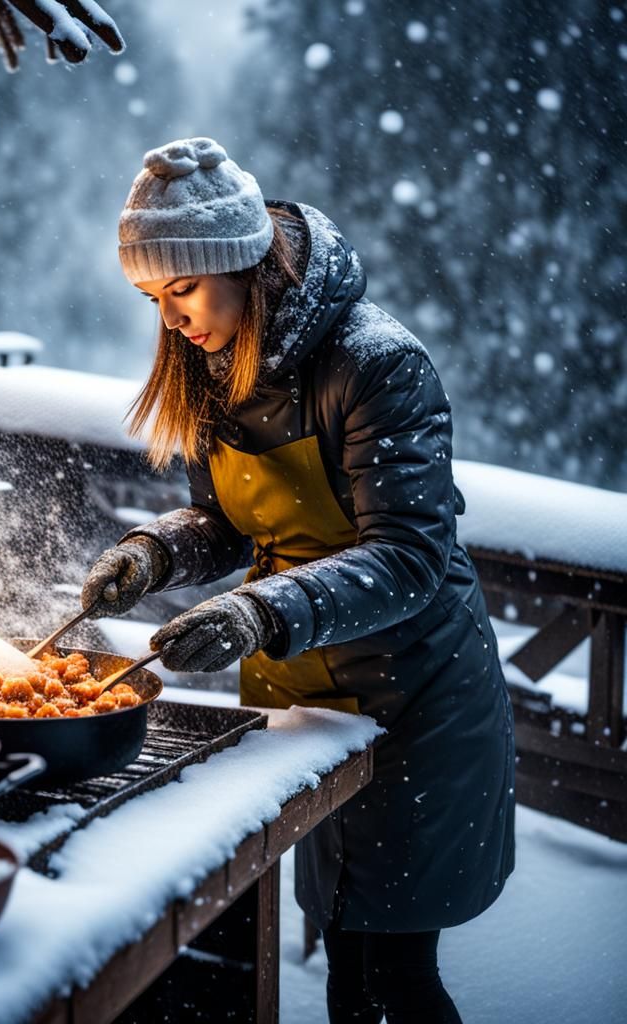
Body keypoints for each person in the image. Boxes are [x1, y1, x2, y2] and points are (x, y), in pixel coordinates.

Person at [81, 137, 515, 1024]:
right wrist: (157, 552)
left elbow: (407, 556)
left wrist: (259, 610)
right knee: (343, 959)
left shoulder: (377, 363)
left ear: (240, 262)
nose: (171, 320)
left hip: (418, 698)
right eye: (151, 299)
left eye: (183, 290)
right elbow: (229, 523)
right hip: (308, 706)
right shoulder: (213, 362)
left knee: (389, 978)